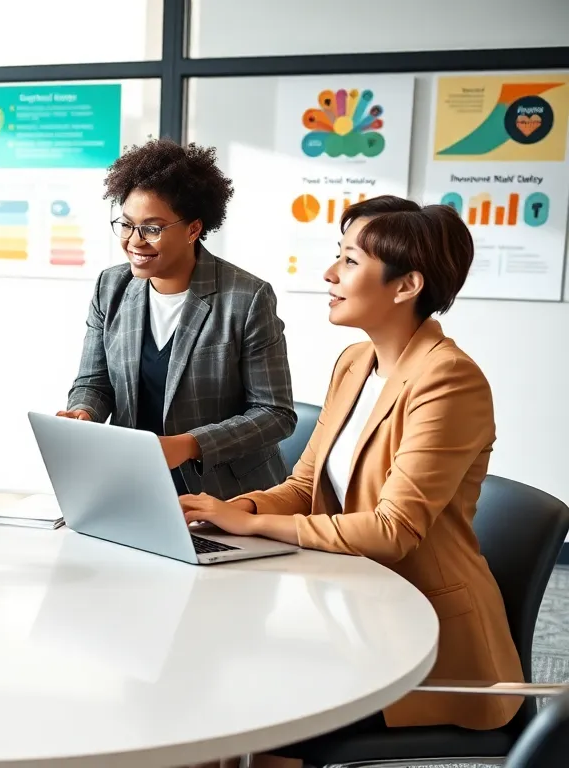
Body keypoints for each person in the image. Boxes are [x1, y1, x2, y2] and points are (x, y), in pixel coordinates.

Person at [180, 196, 522, 763]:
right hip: (349, 611)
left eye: (350, 260)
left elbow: (393, 531)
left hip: (423, 644)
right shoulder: (355, 362)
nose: (329, 274)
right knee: (215, 682)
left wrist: (252, 524)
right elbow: (304, 485)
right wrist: (222, 510)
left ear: (406, 285)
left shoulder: (449, 381)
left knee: (262, 715)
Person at [60, 138, 296, 499]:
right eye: (126, 225)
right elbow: (94, 382)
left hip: (228, 494)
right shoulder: (111, 286)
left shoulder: (246, 298)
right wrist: (84, 413)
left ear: (193, 229)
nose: (134, 241)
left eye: (152, 228)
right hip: (135, 486)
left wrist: (189, 445)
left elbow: (275, 413)